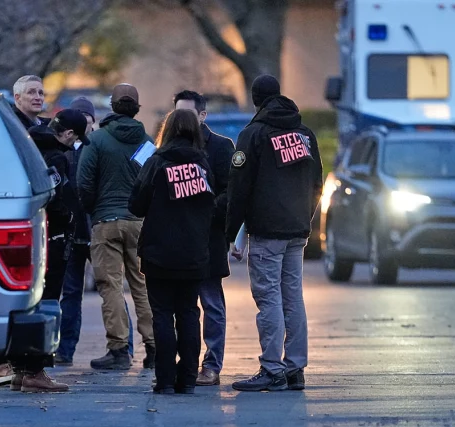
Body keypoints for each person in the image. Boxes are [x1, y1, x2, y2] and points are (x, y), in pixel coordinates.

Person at [226, 75, 323, 393]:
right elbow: (317, 181)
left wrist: (231, 233)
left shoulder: (253, 134)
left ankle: (272, 369)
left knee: (268, 298)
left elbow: (239, 187)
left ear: (256, 99)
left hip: (267, 231)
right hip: (297, 230)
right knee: (292, 298)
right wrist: (305, 217)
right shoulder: (305, 134)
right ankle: (295, 369)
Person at [2, 109, 89, 392]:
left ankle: (20, 369)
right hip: (53, 236)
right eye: (76, 138)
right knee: (48, 302)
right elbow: (56, 197)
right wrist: (69, 218)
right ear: (69, 134)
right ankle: (35, 371)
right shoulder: (56, 158)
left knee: (28, 303)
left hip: (29, 234)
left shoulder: (28, 146)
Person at [128, 109, 215, 394]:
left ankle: (164, 379)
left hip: (159, 252)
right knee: (189, 313)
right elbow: (212, 205)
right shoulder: (203, 165)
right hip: (193, 252)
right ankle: (188, 378)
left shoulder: (156, 162)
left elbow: (136, 205)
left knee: (162, 315)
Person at [77, 83, 156, 371]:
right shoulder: (147, 142)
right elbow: (153, 182)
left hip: (106, 221)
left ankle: (119, 349)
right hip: (139, 224)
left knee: (109, 285)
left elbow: (83, 182)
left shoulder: (97, 140)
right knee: (143, 285)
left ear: (112, 106)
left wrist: (94, 209)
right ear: (137, 109)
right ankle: (154, 347)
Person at [55, 98, 135, 366]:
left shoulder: (99, 147)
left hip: (98, 229)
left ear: (92, 120)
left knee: (110, 288)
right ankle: (65, 350)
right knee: (71, 293)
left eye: (86, 117)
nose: (82, 121)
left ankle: (124, 347)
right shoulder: (66, 149)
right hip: (73, 232)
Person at [173, 90, 235, 387]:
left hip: (208, 236)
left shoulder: (221, 147)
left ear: (202, 115)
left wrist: (205, 210)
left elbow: (230, 191)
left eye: (187, 114)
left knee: (211, 303)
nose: (182, 120)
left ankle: (211, 365)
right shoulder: (168, 148)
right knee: (182, 306)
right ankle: (185, 363)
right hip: (178, 239)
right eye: (178, 114)